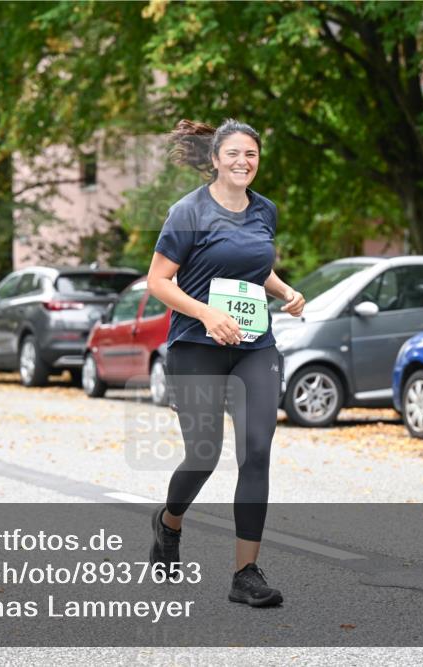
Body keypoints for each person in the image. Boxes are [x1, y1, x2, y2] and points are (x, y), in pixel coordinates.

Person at [147, 119, 305, 607]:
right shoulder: (188, 211)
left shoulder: (265, 210)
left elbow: (255, 265)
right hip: (197, 345)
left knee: (256, 451)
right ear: (215, 159)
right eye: (233, 153)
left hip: (255, 345)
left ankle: (245, 574)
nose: (243, 161)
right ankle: (169, 523)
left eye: (251, 154)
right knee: (204, 454)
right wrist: (206, 313)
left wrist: (285, 291)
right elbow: (158, 281)